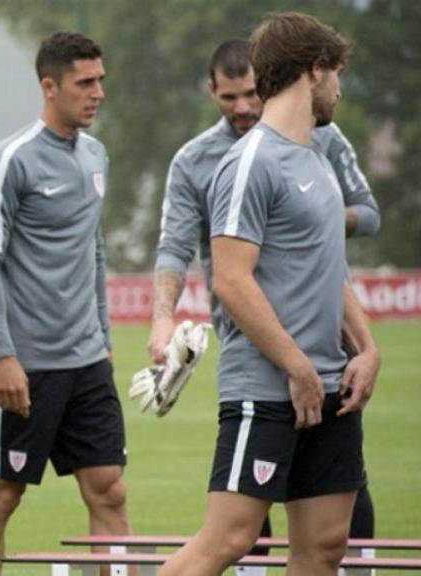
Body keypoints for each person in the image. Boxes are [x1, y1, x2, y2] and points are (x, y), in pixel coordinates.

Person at [159, 13, 380, 575]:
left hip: (331, 386)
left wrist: (367, 347)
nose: (339, 87)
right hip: (268, 387)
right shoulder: (250, 160)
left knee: (326, 547)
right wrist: (296, 366)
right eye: (337, 73)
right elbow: (231, 280)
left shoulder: (317, 157)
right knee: (229, 541)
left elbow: (330, 268)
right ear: (313, 69)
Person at [0, 32, 130, 576]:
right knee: (2, 496)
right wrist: (4, 355)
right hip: (28, 367)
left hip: (87, 363)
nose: (97, 92)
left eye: (100, 80)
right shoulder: (11, 159)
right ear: (49, 86)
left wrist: (103, 339)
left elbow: (95, 249)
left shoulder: (96, 154)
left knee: (109, 493)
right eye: (85, 82)